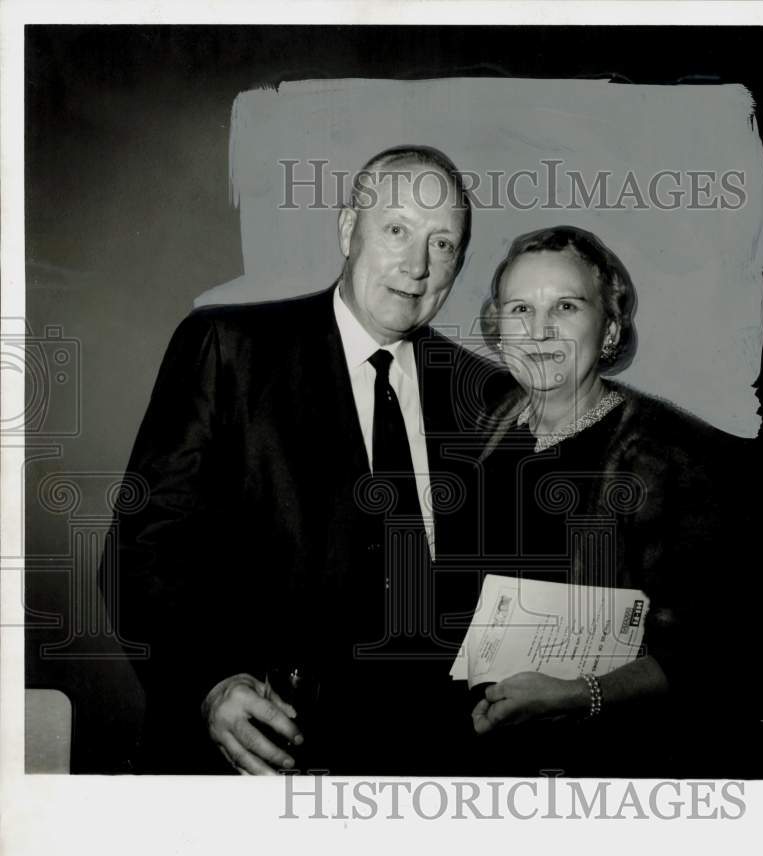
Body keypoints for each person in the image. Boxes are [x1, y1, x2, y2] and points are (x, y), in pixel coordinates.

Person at [100, 145, 512, 775]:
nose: (417, 266)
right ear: (349, 228)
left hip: (425, 772)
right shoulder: (228, 349)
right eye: (397, 230)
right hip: (262, 762)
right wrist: (208, 684)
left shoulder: (485, 395)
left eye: (442, 244)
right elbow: (142, 551)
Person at [468, 226, 754, 777]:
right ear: (497, 328)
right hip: (473, 745)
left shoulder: (669, 457)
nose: (540, 330)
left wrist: (578, 695)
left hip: (598, 761)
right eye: (521, 307)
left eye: (567, 306)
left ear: (609, 329)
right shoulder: (484, 423)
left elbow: (707, 652)